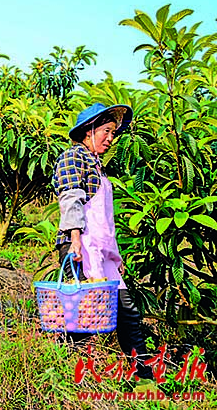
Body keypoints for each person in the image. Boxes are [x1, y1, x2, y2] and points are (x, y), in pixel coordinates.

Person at [53, 102, 152, 379]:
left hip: (101, 252)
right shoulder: (74, 157)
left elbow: (105, 221)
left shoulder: (97, 165)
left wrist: (115, 258)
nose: (111, 138)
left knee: (126, 313)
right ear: (89, 131)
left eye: (113, 133)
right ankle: (67, 373)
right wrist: (74, 241)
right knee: (84, 315)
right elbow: (71, 198)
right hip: (80, 247)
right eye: (106, 131)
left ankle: (143, 377)